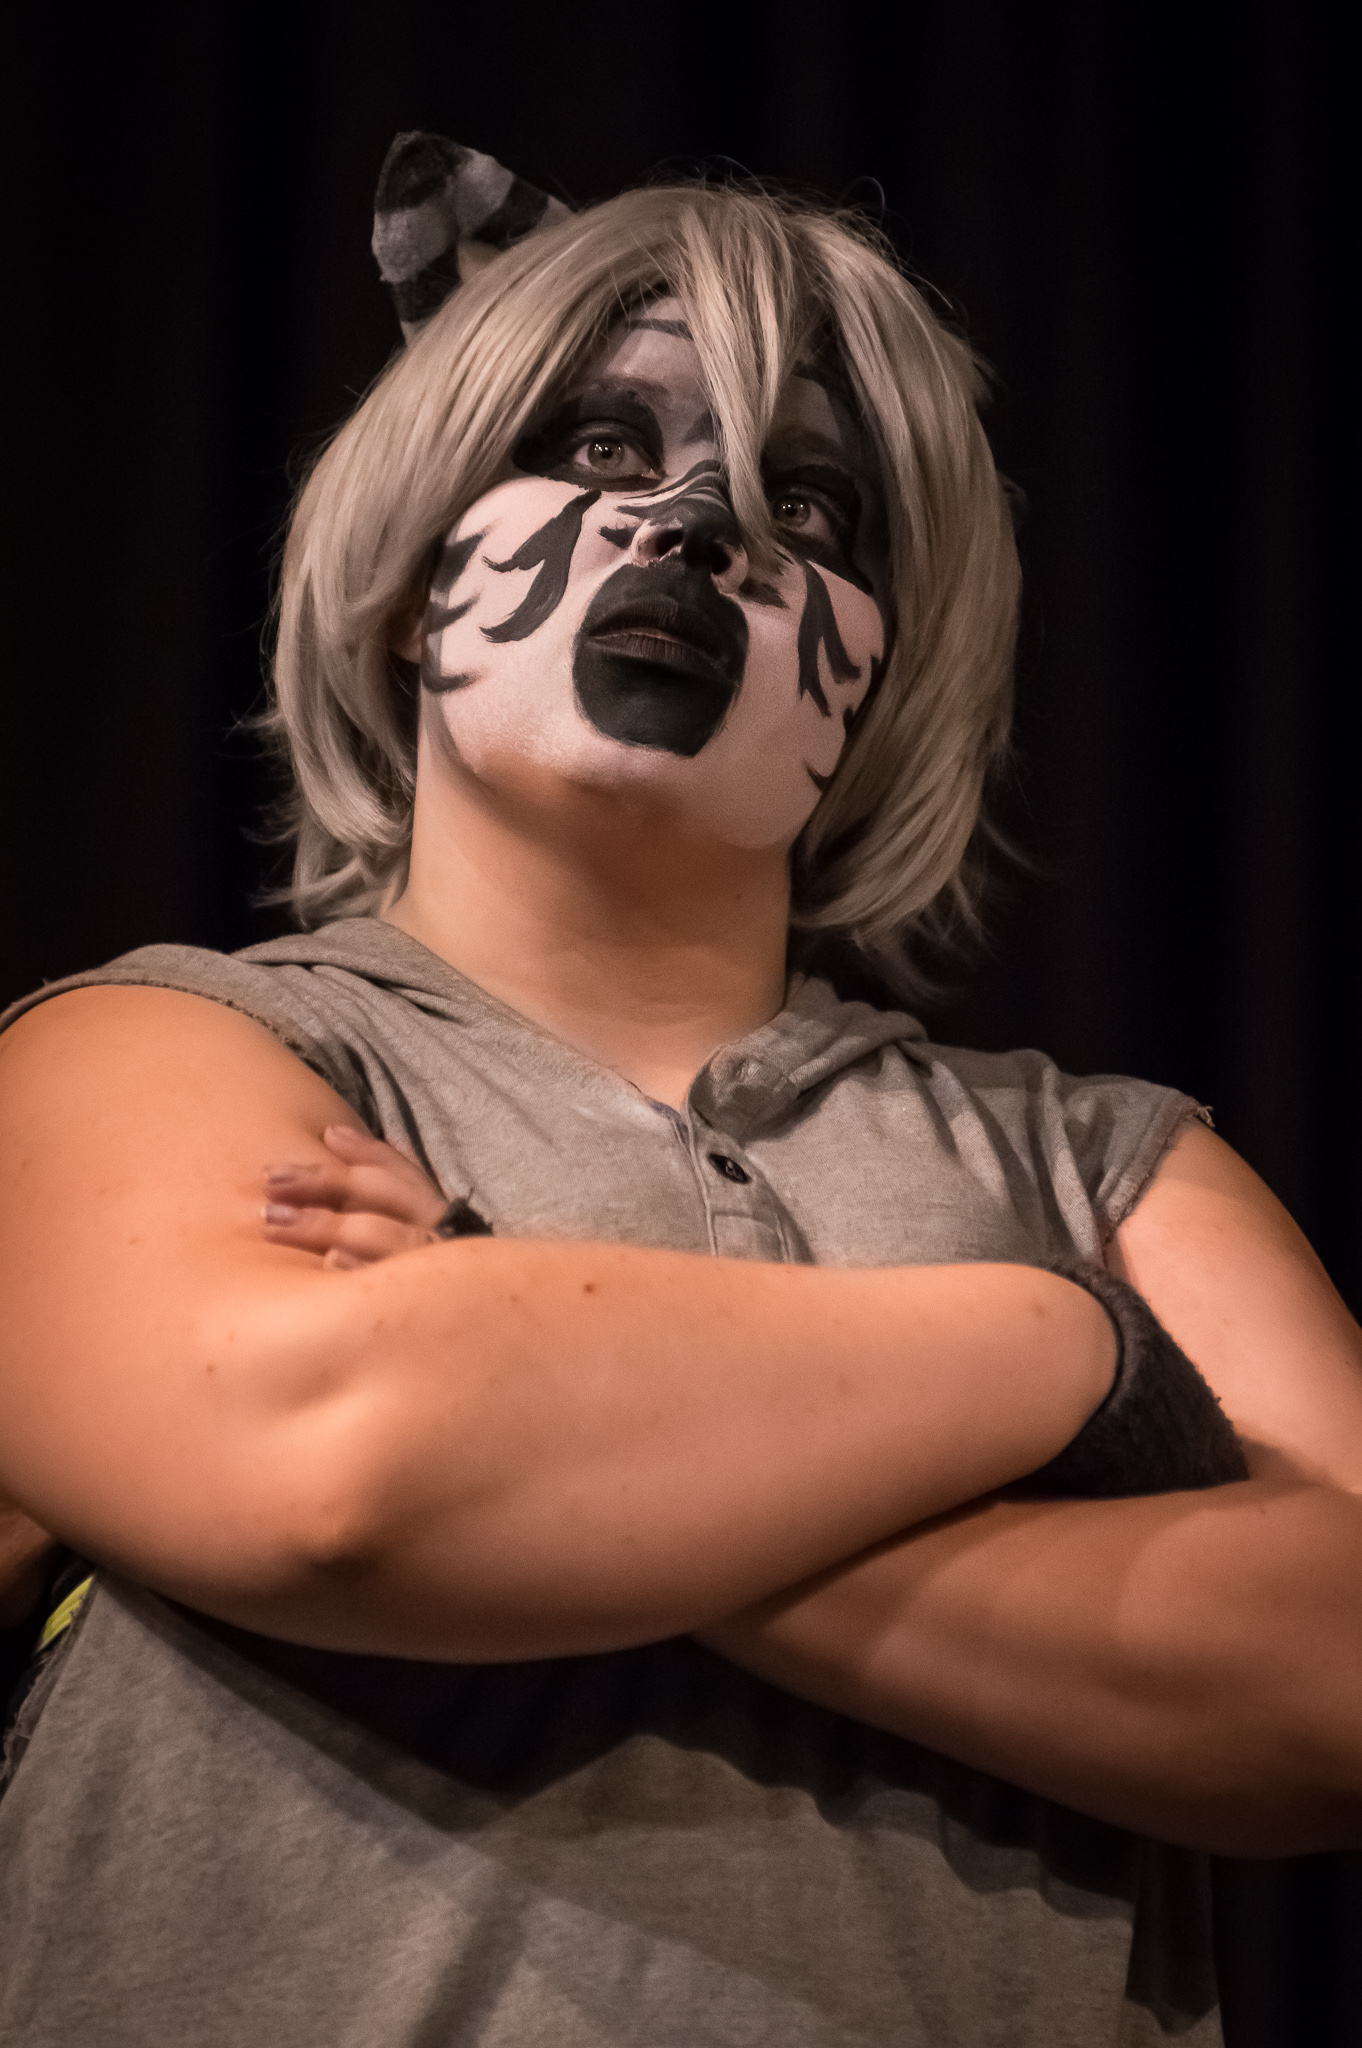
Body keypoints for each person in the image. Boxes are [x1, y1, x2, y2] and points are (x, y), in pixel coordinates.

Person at [0, 142, 1359, 2047]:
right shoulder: (150, 1049)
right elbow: (335, 1473)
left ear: (886, 674)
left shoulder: (1108, 1157)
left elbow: (1332, 1687)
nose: (705, 531)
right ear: (408, 578)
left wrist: (511, 1373)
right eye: (600, 449)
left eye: (809, 504)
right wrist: (1066, 1354)